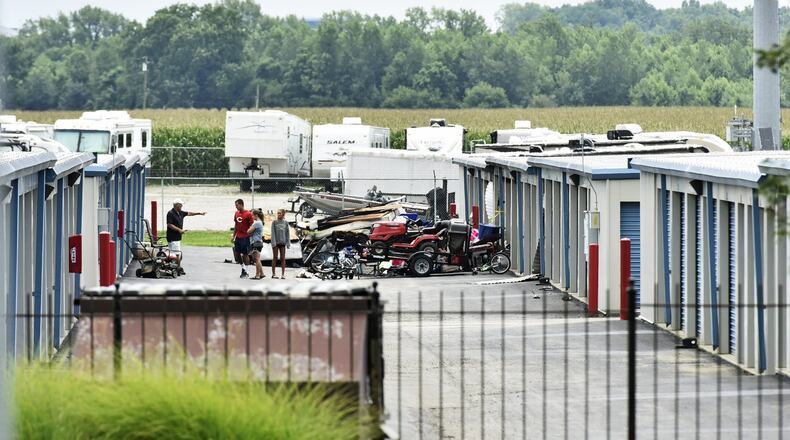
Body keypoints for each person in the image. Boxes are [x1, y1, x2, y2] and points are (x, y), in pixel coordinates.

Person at [166, 198, 205, 270]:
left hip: (178, 237)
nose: (182, 206)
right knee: (176, 254)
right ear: (176, 205)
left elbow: (189, 213)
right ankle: (176, 268)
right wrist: (179, 230)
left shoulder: (180, 212)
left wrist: (199, 213)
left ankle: (174, 267)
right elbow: (169, 224)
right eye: (180, 205)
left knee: (176, 254)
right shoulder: (170, 213)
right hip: (172, 237)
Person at [231, 199, 255, 279]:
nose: (236, 207)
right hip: (238, 236)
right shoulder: (236, 213)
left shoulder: (248, 214)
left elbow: (252, 226)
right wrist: (233, 236)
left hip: (245, 237)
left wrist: (250, 235)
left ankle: (247, 271)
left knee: (245, 254)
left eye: (237, 205)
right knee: (237, 254)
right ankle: (243, 268)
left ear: (241, 204)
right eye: (235, 205)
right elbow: (236, 225)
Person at [270, 208, 290, 279]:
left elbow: (287, 233)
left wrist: (288, 243)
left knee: (283, 258)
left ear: (283, 214)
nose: (278, 214)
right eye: (277, 213)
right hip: (275, 242)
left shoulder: (286, 223)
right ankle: (273, 274)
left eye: (280, 213)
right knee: (275, 257)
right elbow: (273, 233)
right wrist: (273, 243)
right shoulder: (274, 222)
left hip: (283, 242)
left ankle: (283, 274)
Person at [247, 209, 266, 280]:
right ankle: (262, 273)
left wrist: (250, 231)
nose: (252, 217)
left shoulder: (257, 223)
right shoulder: (260, 222)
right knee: (257, 259)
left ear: (256, 215)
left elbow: (248, 231)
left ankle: (257, 275)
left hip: (256, 242)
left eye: (252, 215)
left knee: (256, 259)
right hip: (258, 242)